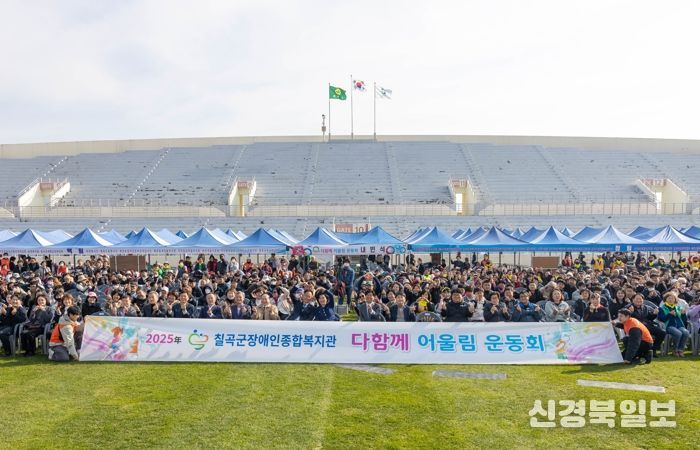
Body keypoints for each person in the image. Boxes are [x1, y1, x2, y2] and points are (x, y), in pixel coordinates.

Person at [657, 292, 690, 357]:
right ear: (665, 299)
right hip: (668, 326)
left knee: (686, 332)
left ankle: (680, 350)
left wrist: (683, 314)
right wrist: (669, 314)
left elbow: (684, 320)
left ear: (675, 300)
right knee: (678, 333)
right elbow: (661, 319)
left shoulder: (678, 308)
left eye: (672, 298)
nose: (671, 300)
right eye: (669, 298)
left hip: (679, 326)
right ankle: (675, 350)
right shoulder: (661, 308)